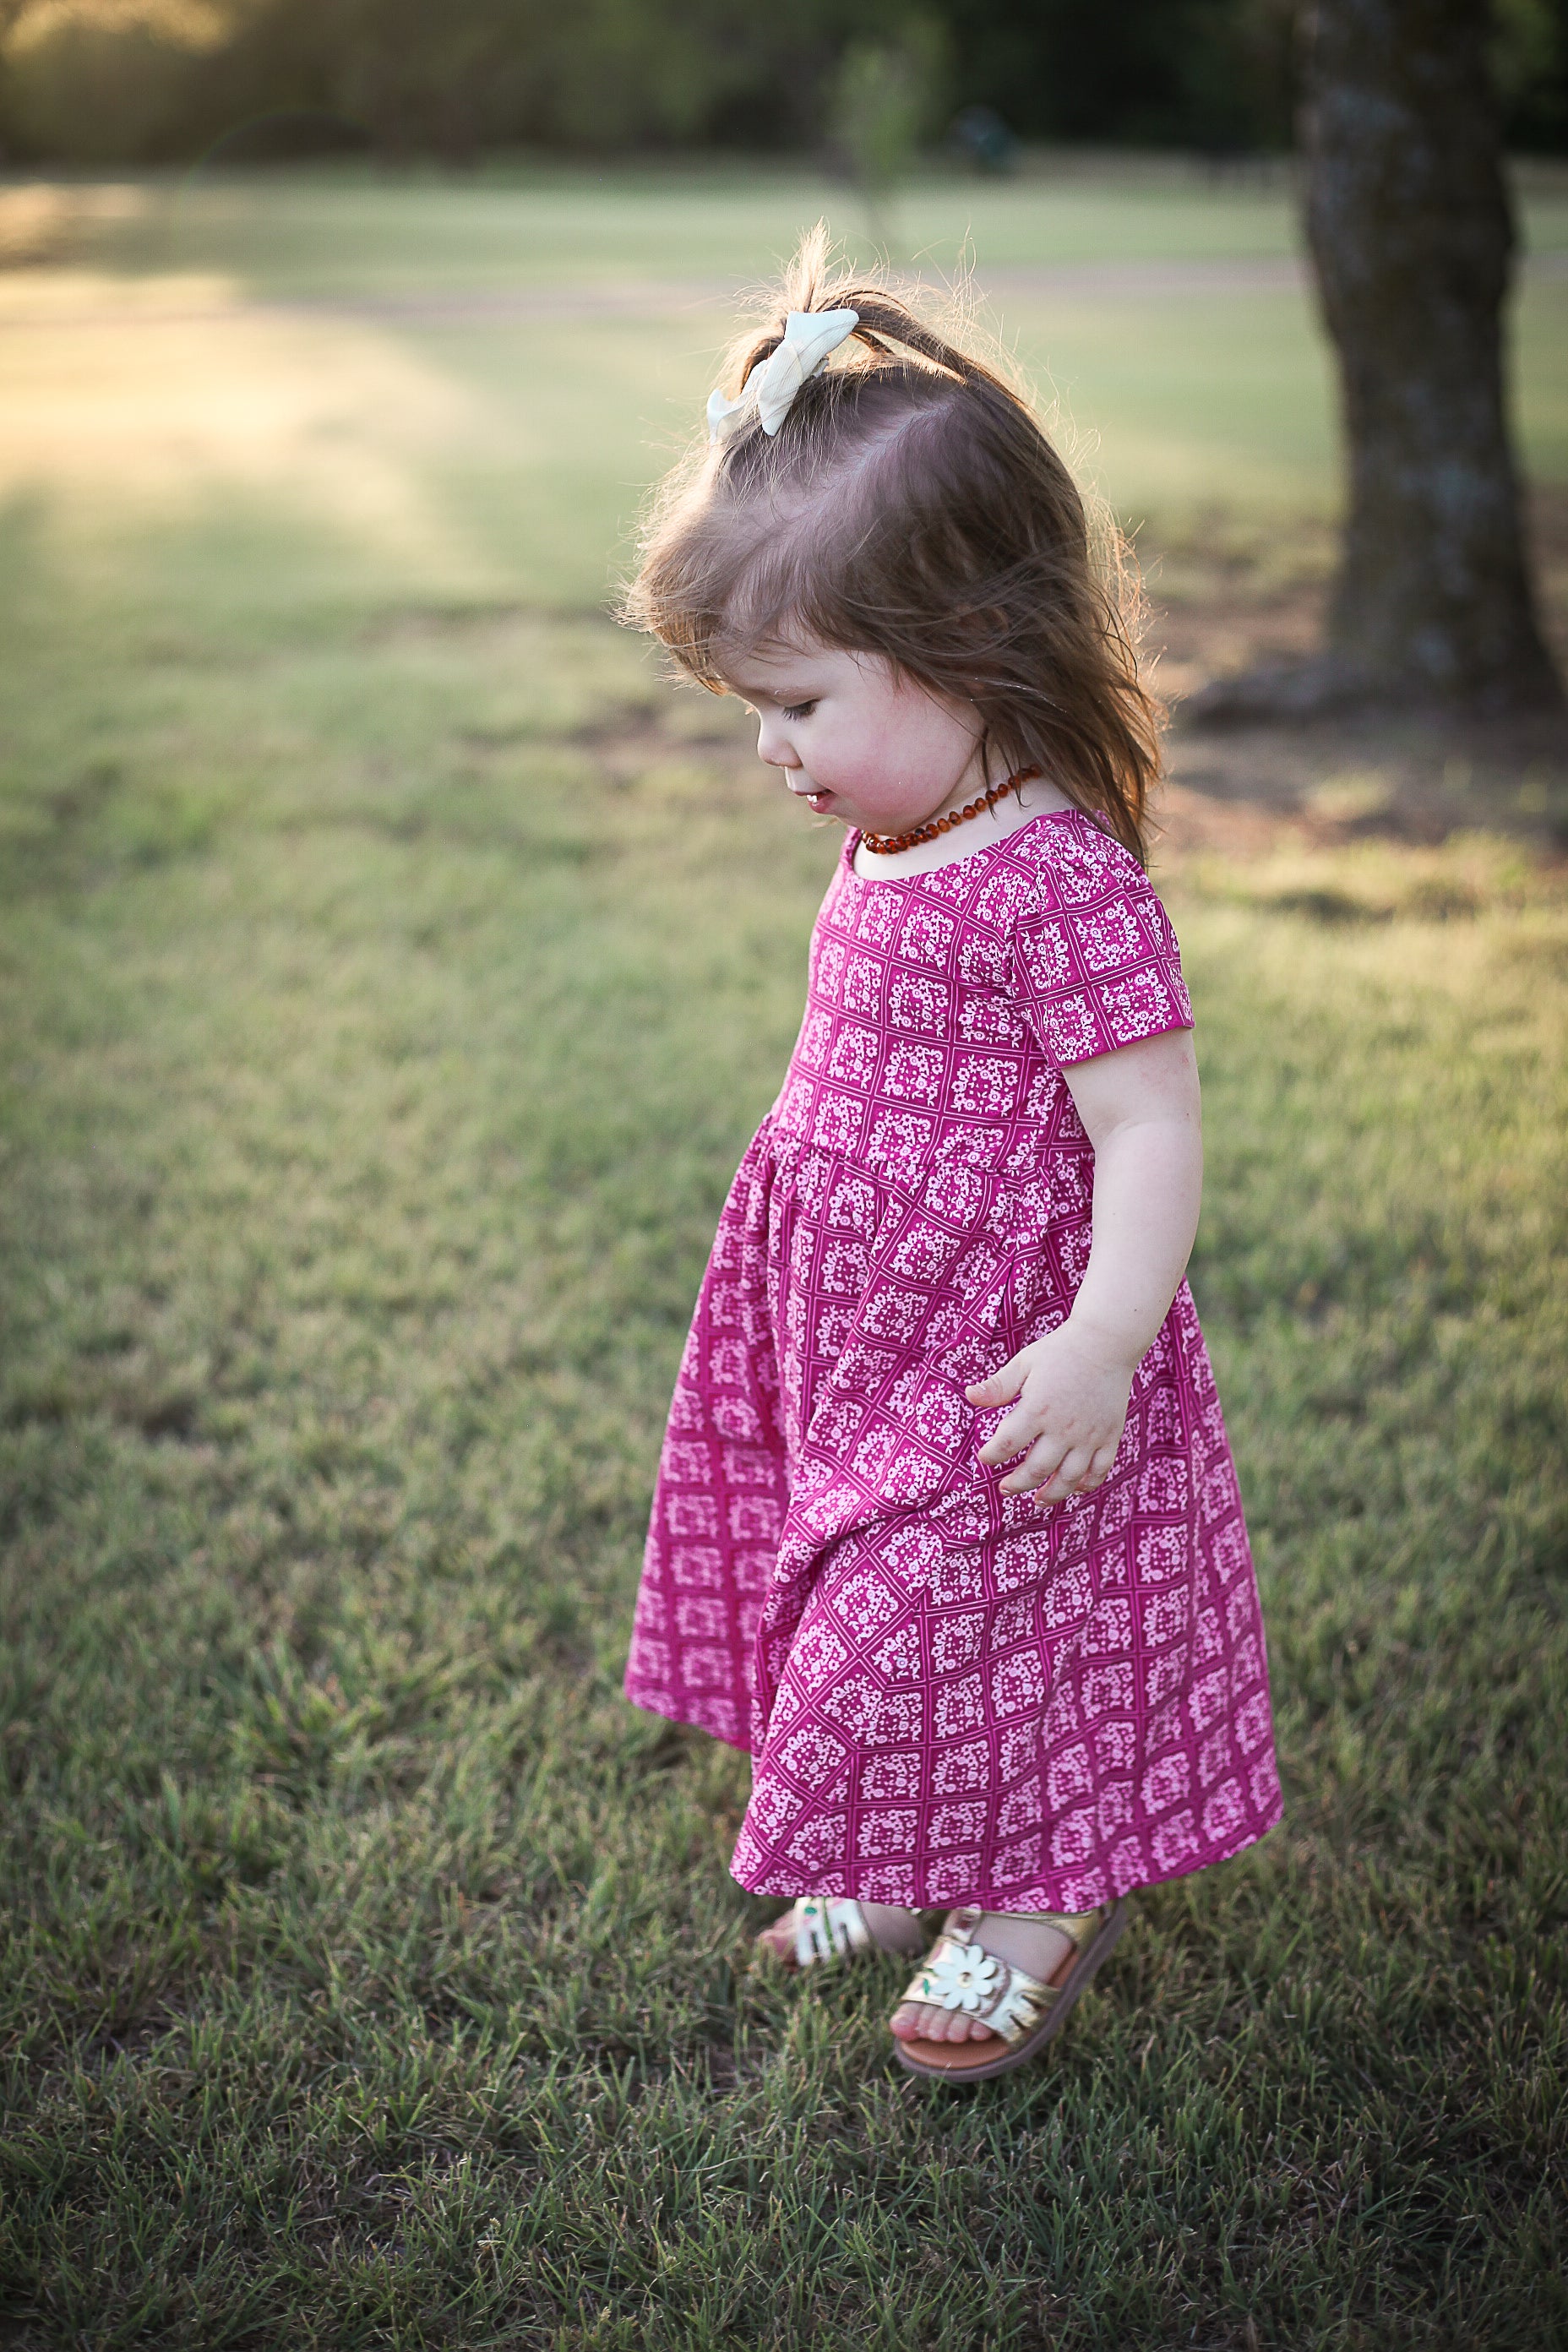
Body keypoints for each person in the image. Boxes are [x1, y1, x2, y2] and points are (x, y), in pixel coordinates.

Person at [619, 230, 1282, 2082]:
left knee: (960, 1622)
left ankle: (1031, 1900)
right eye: (753, 704)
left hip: (1007, 1346)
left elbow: (1148, 1122)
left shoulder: (1059, 875)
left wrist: (1101, 1342)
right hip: (852, 1318)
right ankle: (901, 1860)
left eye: (801, 701)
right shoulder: (900, 824)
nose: (768, 747)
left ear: (964, 649)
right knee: (862, 1603)